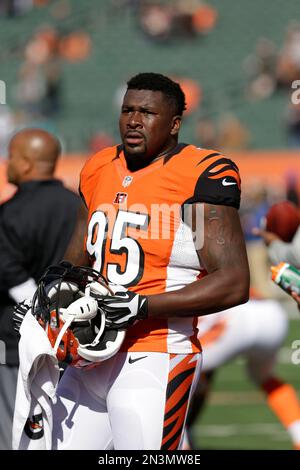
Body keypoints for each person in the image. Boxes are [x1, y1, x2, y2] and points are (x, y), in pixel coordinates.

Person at [17, 73, 250, 450]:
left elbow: (233, 281)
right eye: (127, 110)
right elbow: (75, 263)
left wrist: (143, 306)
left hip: (156, 352)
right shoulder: (98, 168)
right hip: (91, 354)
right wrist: (49, 305)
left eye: (147, 112)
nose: (133, 120)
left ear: (174, 123)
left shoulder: (195, 175)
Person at [0, 128, 81, 450]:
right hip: (72, 338)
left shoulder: (10, 212)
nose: (7, 164)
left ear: (27, 163)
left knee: (16, 433)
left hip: (15, 341)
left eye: (11, 157)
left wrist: (35, 306)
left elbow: (5, 267)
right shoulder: (79, 207)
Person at [184, 297, 300, 450]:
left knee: (177, 384)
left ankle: (181, 446)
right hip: (272, 315)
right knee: (265, 378)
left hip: (230, 320)